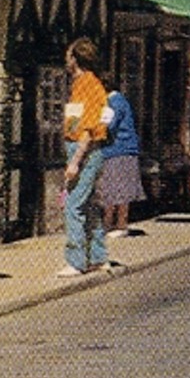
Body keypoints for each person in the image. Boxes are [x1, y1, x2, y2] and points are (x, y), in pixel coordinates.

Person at [59, 37, 112, 276]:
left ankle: (76, 260)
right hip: (82, 149)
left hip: (85, 151)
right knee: (89, 206)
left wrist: (75, 161)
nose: (66, 59)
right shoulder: (80, 84)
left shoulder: (90, 85)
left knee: (73, 206)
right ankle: (99, 257)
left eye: (69, 55)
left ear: (76, 59)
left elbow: (89, 128)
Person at [97, 73, 146, 239]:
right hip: (117, 149)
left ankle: (120, 224)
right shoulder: (117, 100)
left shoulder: (114, 101)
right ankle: (109, 223)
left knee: (118, 188)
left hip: (120, 149)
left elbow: (108, 125)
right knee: (112, 188)